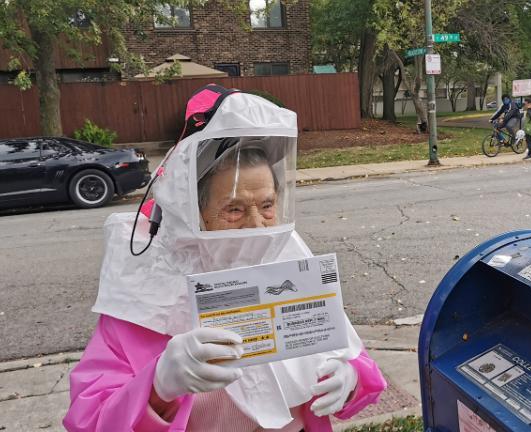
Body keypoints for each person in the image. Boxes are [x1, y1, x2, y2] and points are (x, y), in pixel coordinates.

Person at [63, 88, 387, 431]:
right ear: (193, 213)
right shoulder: (142, 297)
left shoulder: (288, 264)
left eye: (267, 206)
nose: (256, 223)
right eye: (233, 209)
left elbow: (359, 366)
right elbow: (89, 420)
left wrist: (350, 377)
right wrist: (157, 386)